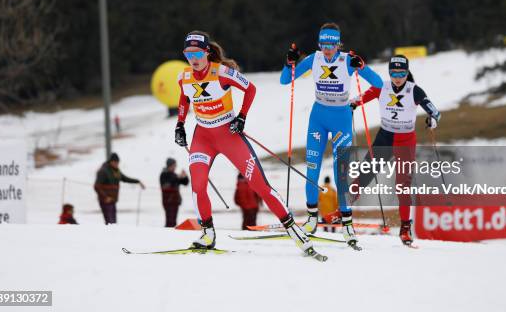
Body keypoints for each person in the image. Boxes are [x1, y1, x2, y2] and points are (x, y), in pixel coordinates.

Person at [175, 31, 318, 256]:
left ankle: (293, 229)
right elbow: (184, 98)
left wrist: (241, 117)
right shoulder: (184, 77)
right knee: (198, 185)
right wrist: (180, 125)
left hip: (228, 135)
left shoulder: (221, 72)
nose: (193, 59)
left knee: (258, 185)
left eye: (197, 53)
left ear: (206, 52)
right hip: (202, 137)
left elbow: (250, 89)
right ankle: (207, 233)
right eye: (188, 53)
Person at [280, 22, 383, 247]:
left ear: (338, 44)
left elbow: (378, 83)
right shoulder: (313, 60)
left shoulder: (346, 60)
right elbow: (285, 80)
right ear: (319, 44)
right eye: (323, 44)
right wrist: (289, 63)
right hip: (318, 119)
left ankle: (347, 224)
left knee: (341, 173)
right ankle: (310, 219)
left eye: (332, 44)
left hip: (341, 120)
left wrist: (361, 66)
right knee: (312, 169)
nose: (327, 49)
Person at [351, 55, 441, 246]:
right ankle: (342, 212)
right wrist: (352, 104)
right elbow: (359, 98)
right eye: (394, 73)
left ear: (407, 72)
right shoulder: (381, 86)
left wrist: (432, 120)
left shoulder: (414, 90)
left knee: (402, 185)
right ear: (389, 72)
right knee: (365, 174)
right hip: (385, 137)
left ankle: (405, 227)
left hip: (405, 140)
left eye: (401, 73)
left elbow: (435, 112)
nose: (397, 77)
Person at [94, 152, 145, 224]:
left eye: (118, 162)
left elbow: (125, 178)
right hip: (105, 201)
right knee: (109, 222)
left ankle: (113, 234)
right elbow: (96, 186)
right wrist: (105, 197)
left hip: (113, 200)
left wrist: (137, 181)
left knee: (113, 222)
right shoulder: (103, 171)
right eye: (115, 162)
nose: (117, 164)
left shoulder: (116, 171)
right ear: (110, 161)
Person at [160, 158, 189, 227]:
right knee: (170, 221)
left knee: (173, 221)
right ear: (170, 165)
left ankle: (171, 235)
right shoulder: (164, 174)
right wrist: (177, 177)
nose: (175, 167)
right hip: (168, 201)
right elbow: (166, 185)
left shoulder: (174, 175)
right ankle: (167, 234)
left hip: (175, 201)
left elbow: (185, 183)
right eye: (174, 165)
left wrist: (185, 176)